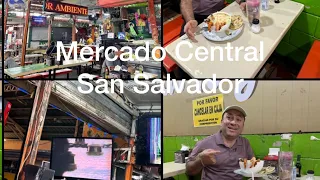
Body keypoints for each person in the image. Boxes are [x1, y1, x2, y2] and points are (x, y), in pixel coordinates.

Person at [186, 105, 254, 180]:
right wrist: (201, 161)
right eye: (229, 118)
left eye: (238, 119)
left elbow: (253, 165)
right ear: (221, 122)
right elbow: (189, 171)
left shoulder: (245, 143)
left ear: (242, 126)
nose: (233, 122)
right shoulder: (205, 143)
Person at [181, 0, 247, 41]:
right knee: (186, 43)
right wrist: (190, 20)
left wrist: (241, 2)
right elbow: (185, 2)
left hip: (220, 14)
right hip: (196, 17)